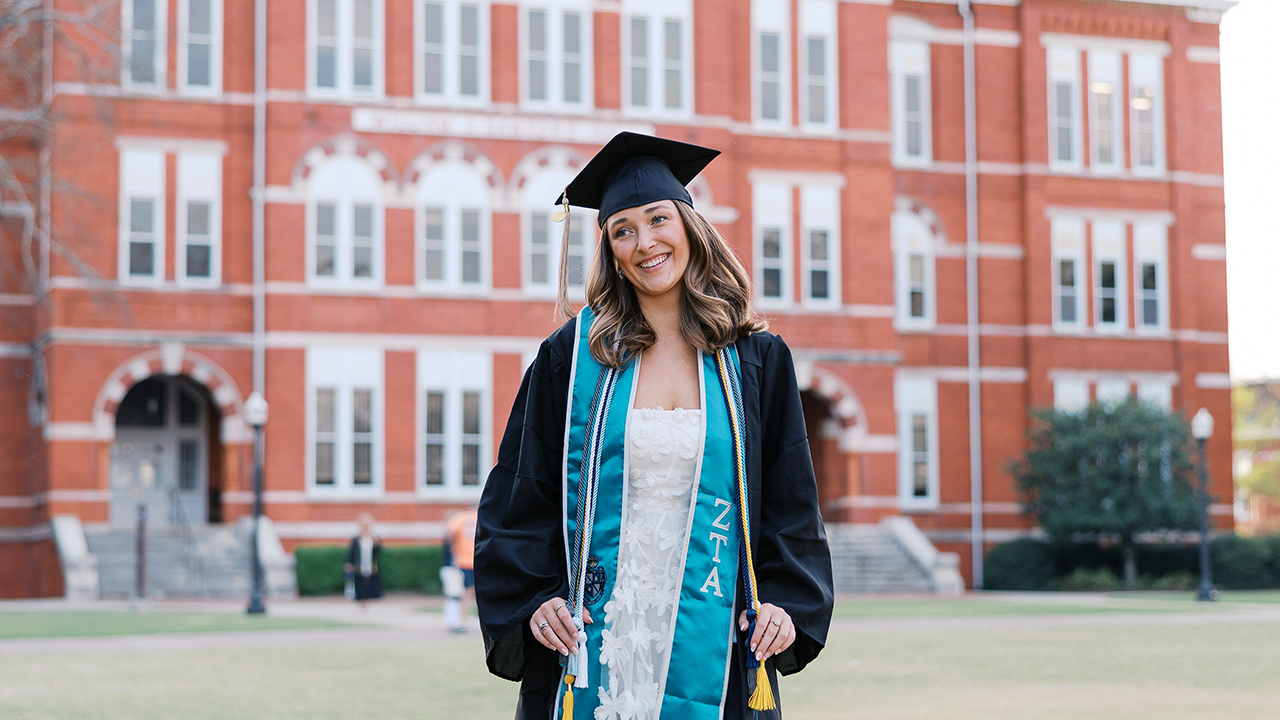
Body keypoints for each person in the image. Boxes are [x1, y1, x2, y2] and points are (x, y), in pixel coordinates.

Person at [475, 132, 833, 720]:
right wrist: (536, 598)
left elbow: (792, 506)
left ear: (690, 225)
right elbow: (521, 490)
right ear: (609, 249)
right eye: (623, 230)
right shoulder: (571, 357)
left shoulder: (756, 361)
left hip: (713, 636)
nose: (645, 243)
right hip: (596, 641)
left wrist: (785, 604)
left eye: (658, 219)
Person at [442, 506, 478, 633]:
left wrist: (454, 550)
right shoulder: (481, 516)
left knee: (464, 593)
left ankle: (463, 620)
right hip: (476, 560)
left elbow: (449, 533)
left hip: (464, 561)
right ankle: (464, 619)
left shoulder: (460, 518)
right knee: (469, 592)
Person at [345, 513, 383, 609]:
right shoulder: (357, 538)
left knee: (370, 580)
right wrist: (349, 563)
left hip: (370, 563)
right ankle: (361, 599)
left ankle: (368, 597)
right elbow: (352, 551)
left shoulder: (374, 537)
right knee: (360, 580)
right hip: (359, 564)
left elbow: (378, 551)